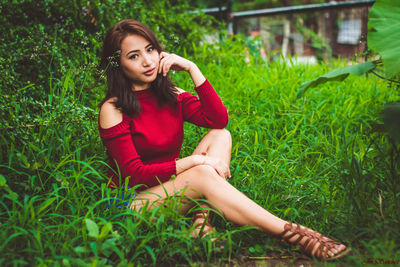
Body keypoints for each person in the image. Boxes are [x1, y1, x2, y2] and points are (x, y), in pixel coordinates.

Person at [98, 19, 350, 261]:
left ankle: (201, 222)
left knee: (220, 136)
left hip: (169, 187)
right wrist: (194, 161)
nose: (147, 61)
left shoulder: (170, 94)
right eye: (134, 56)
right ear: (118, 65)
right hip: (133, 204)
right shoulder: (114, 108)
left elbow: (217, 120)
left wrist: (192, 68)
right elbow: (135, 174)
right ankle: (294, 233)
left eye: (150, 50)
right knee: (200, 172)